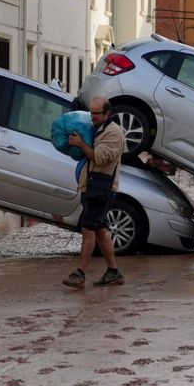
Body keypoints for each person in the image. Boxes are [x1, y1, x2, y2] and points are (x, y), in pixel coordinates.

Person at [63, 97, 126, 288]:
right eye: (91, 113)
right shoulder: (99, 128)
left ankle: (80, 273)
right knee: (100, 230)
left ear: (107, 114)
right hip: (92, 187)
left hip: (101, 189)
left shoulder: (113, 134)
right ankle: (113, 272)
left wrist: (80, 144)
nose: (92, 117)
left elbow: (99, 158)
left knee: (87, 228)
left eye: (96, 114)